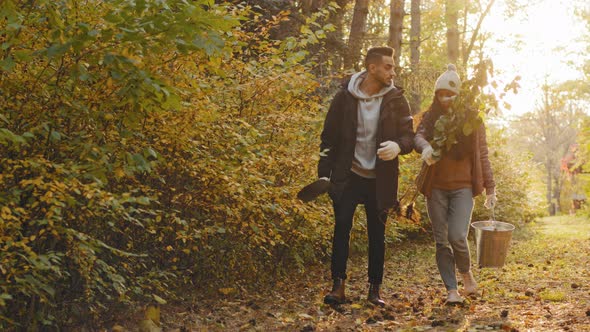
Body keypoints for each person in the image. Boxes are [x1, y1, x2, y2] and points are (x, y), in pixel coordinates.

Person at [318, 46, 414, 306]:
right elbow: (328, 137)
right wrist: (324, 176)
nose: (393, 71)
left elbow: (409, 136)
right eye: (388, 66)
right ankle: (338, 286)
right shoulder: (344, 97)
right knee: (341, 228)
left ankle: (374, 291)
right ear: (372, 68)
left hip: (380, 179)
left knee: (377, 234)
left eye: (393, 67)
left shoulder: (396, 99)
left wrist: (398, 147)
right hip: (347, 176)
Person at [413, 64, 497, 304]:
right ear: (436, 95)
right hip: (436, 188)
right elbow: (417, 136)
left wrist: (490, 188)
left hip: (463, 188)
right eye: (441, 94)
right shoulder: (431, 117)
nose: (446, 98)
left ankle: (466, 274)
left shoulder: (473, 119)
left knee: (458, 235)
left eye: (450, 94)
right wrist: (426, 147)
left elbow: (482, 154)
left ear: (460, 95)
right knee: (441, 240)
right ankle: (451, 290)